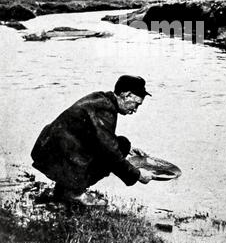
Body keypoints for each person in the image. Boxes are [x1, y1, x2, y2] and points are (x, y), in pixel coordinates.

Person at [31, 75, 153, 206]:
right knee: (112, 154)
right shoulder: (106, 109)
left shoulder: (101, 98)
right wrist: (138, 175)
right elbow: (110, 152)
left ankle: (63, 189)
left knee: (123, 144)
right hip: (55, 154)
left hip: (50, 148)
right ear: (126, 94)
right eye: (136, 104)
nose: (135, 110)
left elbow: (99, 137)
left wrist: (128, 149)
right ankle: (74, 193)